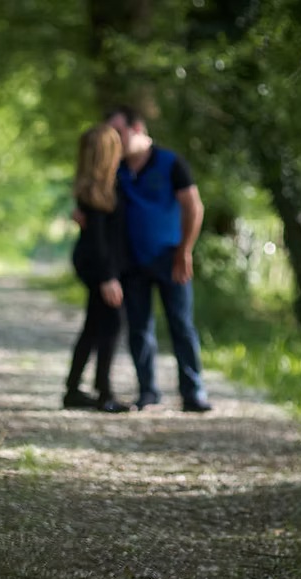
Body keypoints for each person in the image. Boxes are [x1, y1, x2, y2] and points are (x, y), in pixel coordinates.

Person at [106, 105, 212, 413]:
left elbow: (194, 207)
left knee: (181, 325)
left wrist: (185, 250)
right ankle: (148, 391)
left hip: (171, 259)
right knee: (138, 329)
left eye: (119, 132)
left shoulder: (170, 163)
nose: (115, 139)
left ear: (137, 129)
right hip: (132, 262)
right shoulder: (118, 169)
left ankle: (193, 392)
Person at [62, 124, 131, 413]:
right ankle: (104, 392)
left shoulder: (98, 186)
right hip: (99, 267)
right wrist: (108, 278)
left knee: (93, 325)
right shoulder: (97, 191)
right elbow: (98, 240)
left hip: (98, 264)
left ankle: (74, 389)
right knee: (111, 324)